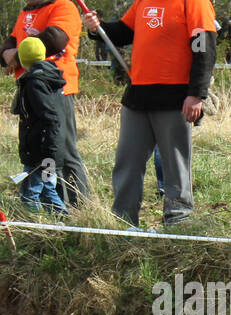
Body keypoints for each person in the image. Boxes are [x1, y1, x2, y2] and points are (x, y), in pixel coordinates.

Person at [80, 1, 216, 228]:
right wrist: (97, 27)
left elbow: (205, 47)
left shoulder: (194, 3)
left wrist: (197, 94)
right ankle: (123, 221)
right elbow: (122, 33)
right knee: (127, 161)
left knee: (175, 164)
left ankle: (178, 222)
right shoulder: (143, 2)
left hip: (175, 97)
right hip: (138, 97)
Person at [3, 0, 88, 207]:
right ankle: (49, 206)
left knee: (62, 149)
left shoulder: (63, 6)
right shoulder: (28, 10)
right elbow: (12, 40)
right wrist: (8, 53)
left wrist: (18, 53)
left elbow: (55, 38)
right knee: (36, 147)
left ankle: (77, 207)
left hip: (55, 89)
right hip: (29, 87)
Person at [11, 37, 67, 215]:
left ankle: (36, 228)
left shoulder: (35, 84)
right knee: (47, 190)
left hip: (41, 152)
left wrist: (45, 151)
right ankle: (63, 222)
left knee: (29, 194)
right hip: (50, 149)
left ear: (22, 59)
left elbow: (48, 117)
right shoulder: (49, 78)